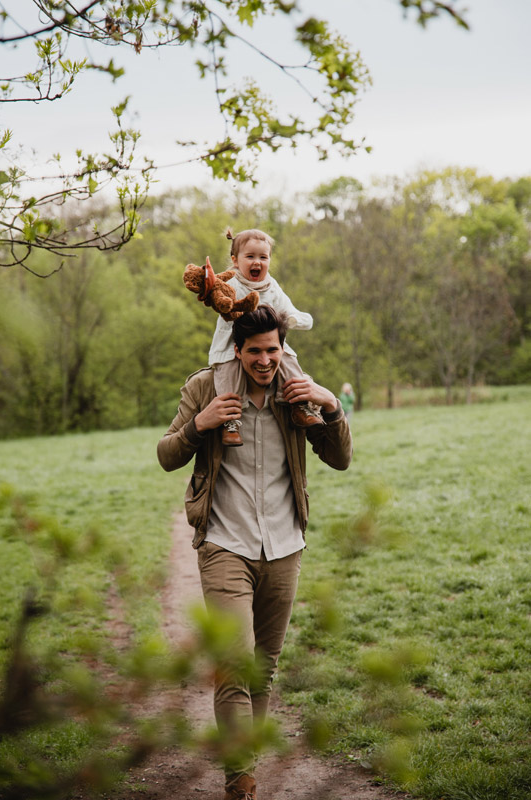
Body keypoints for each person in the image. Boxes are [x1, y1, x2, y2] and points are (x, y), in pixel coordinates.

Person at [157, 305, 352, 800]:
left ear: (283, 348)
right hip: (226, 542)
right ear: (237, 350)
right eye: (255, 351)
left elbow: (339, 459)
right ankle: (239, 783)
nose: (265, 360)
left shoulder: (297, 388)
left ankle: (248, 765)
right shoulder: (207, 386)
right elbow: (166, 455)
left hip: (285, 544)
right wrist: (199, 424)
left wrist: (330, 404)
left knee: (262, 669)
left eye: (274, 350)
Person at [209, 228, 321, 447]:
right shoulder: (231, 284)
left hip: (267, 343)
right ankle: (230, 422)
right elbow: (219, 301)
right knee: (229, 377)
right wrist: (223, 304)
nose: (257, 262)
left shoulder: (272, 287)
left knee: (290, 363)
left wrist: (294, 320)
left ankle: (299, 406)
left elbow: (288, 309)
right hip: (232, 344)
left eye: (263, 257)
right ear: (235, 260)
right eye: (250, 257)